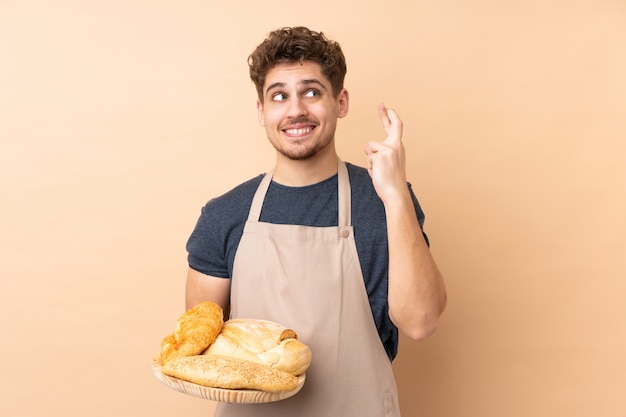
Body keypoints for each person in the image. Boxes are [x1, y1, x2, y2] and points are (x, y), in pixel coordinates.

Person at [184, 26, 447, 417]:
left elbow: (421, 321)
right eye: (279, 96)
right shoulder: (225, 214)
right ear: (262, 111)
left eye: (311, 92)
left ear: (340, 102)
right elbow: (202, 346)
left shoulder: (381, 202)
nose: (295, 111)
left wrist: (395, 196)